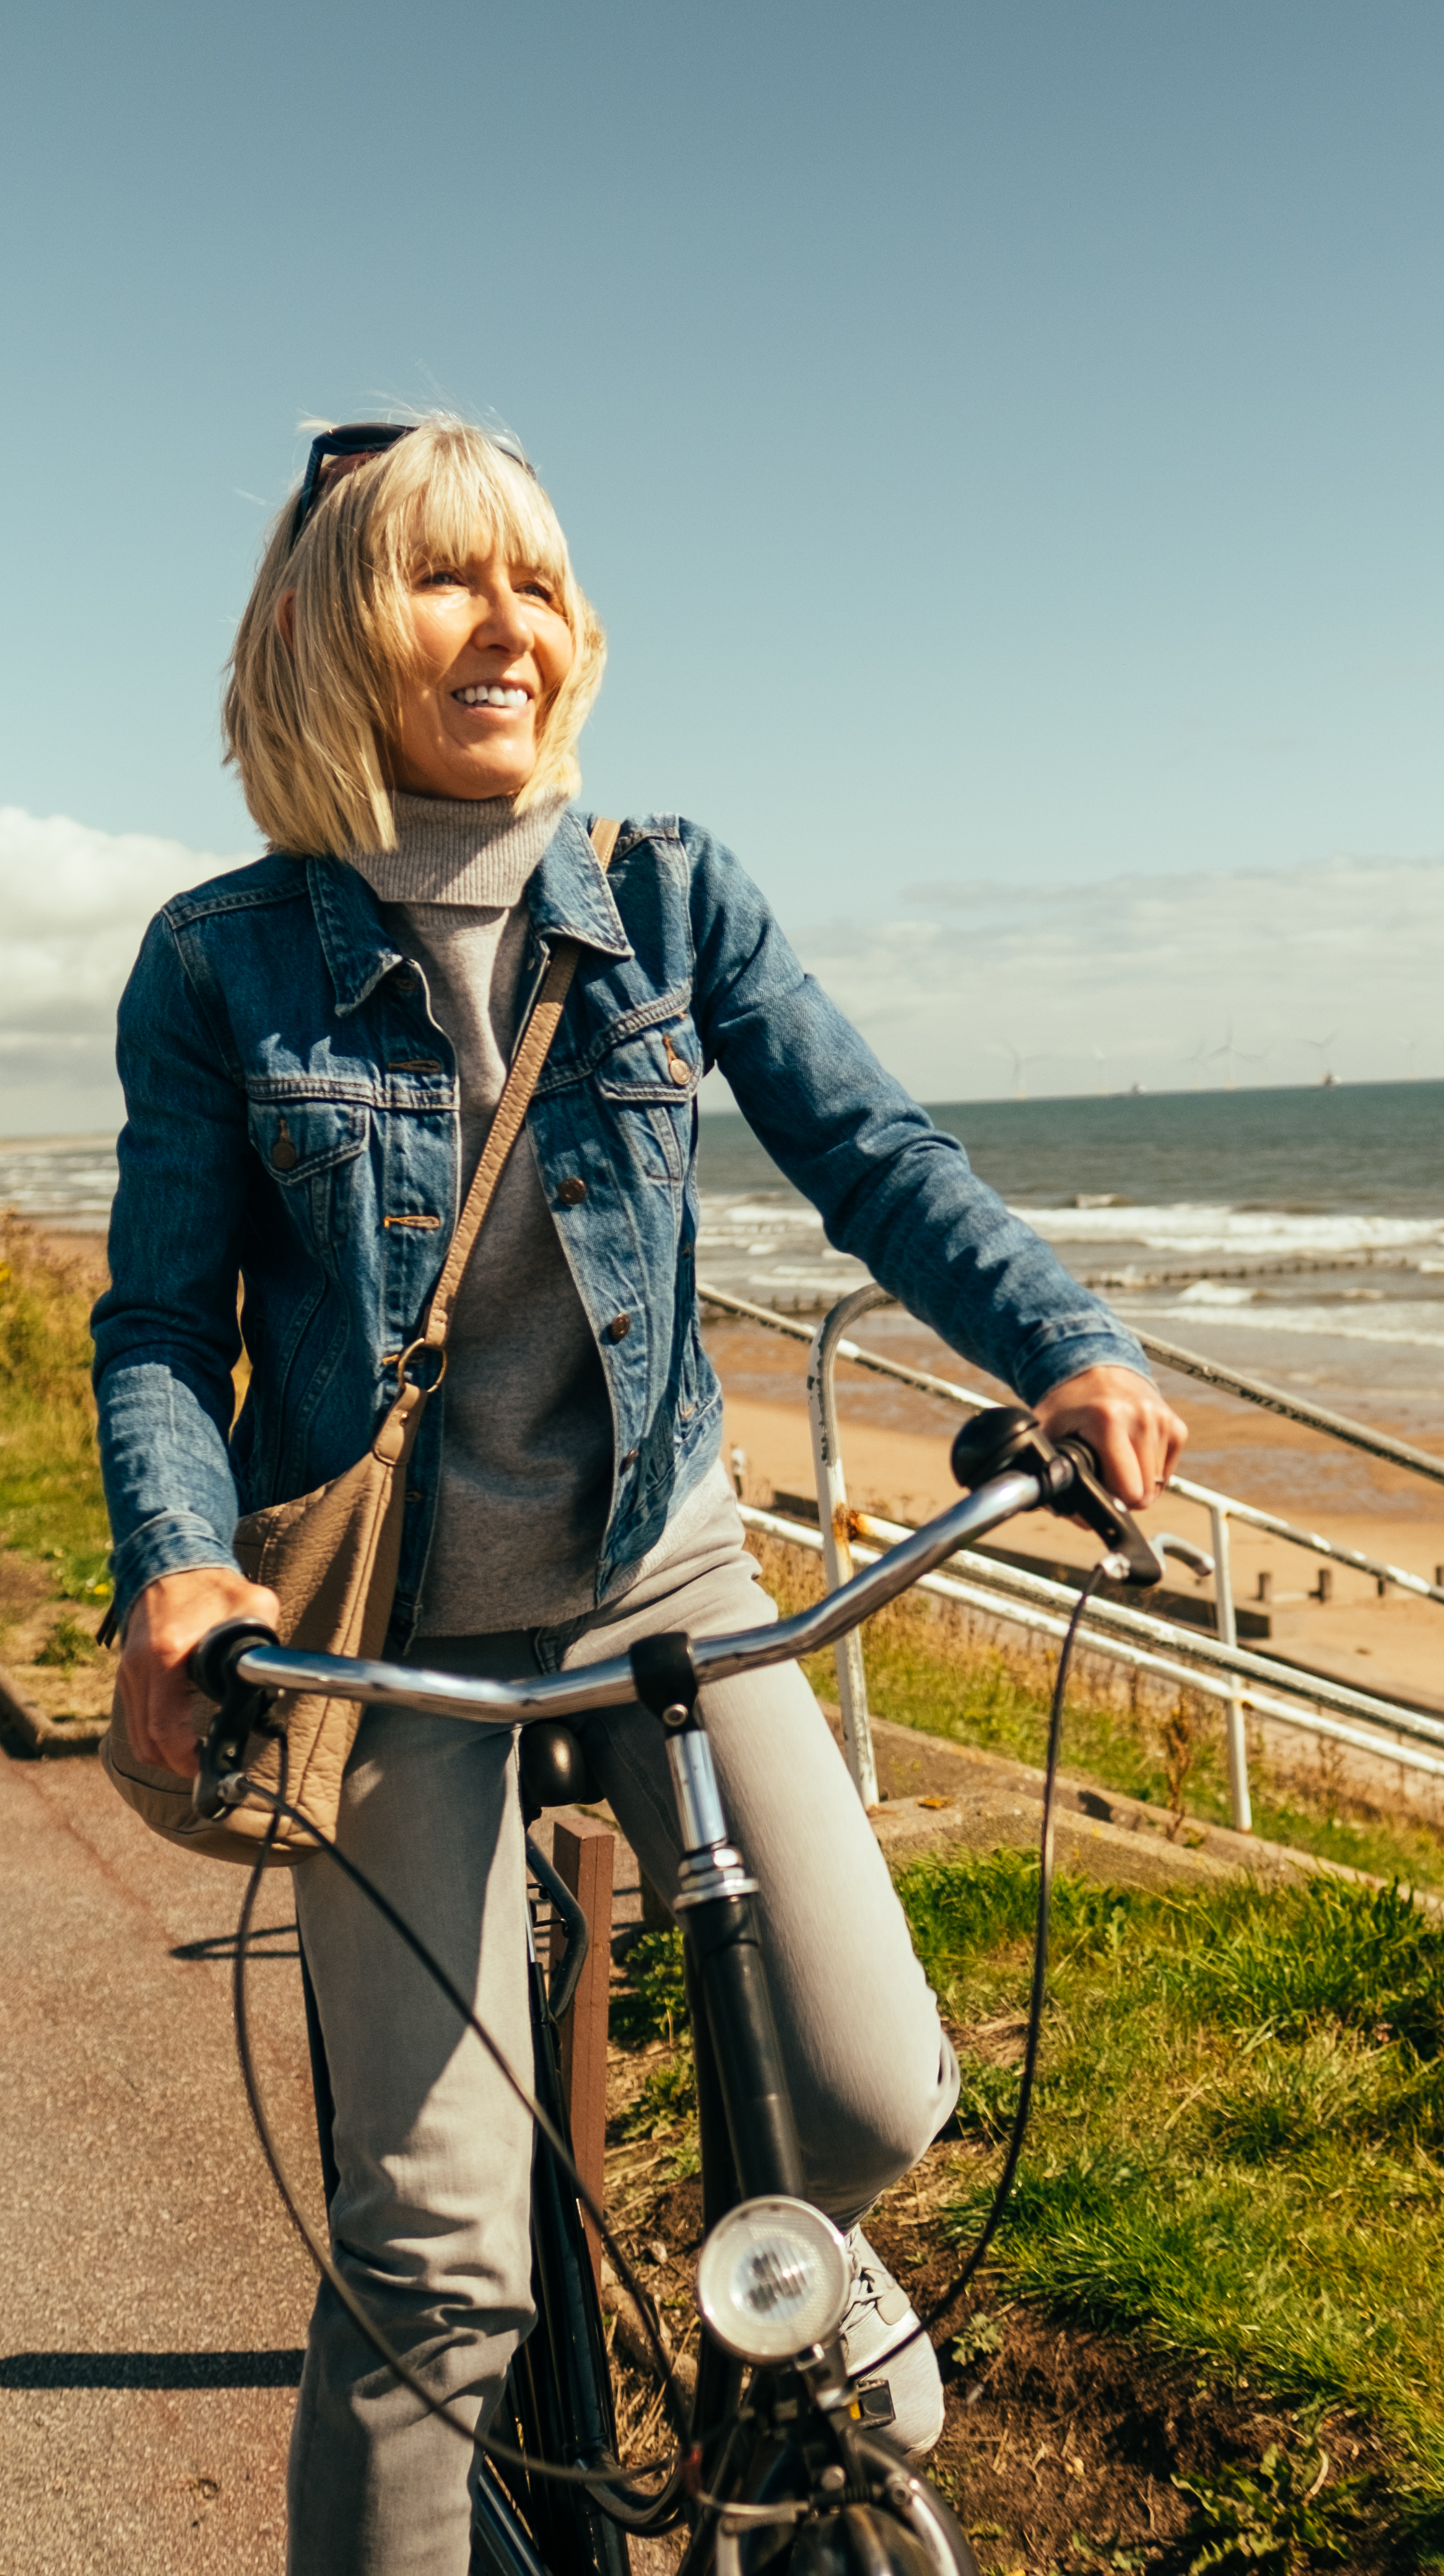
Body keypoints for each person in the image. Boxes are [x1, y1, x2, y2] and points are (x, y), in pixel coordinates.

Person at [92, 416, 1186, 2576]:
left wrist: (1063, 1345)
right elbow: (160, 1321)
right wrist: (183, 1567)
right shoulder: (216, 964)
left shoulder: (675, 896)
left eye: (542, 584)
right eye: (445, 581)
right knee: (441, 2275)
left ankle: (788, 2338)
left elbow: (876, 1153)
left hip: (667, 1580)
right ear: (328, 629)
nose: (509, 627)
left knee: (873, 2098)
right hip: (390, 1638)